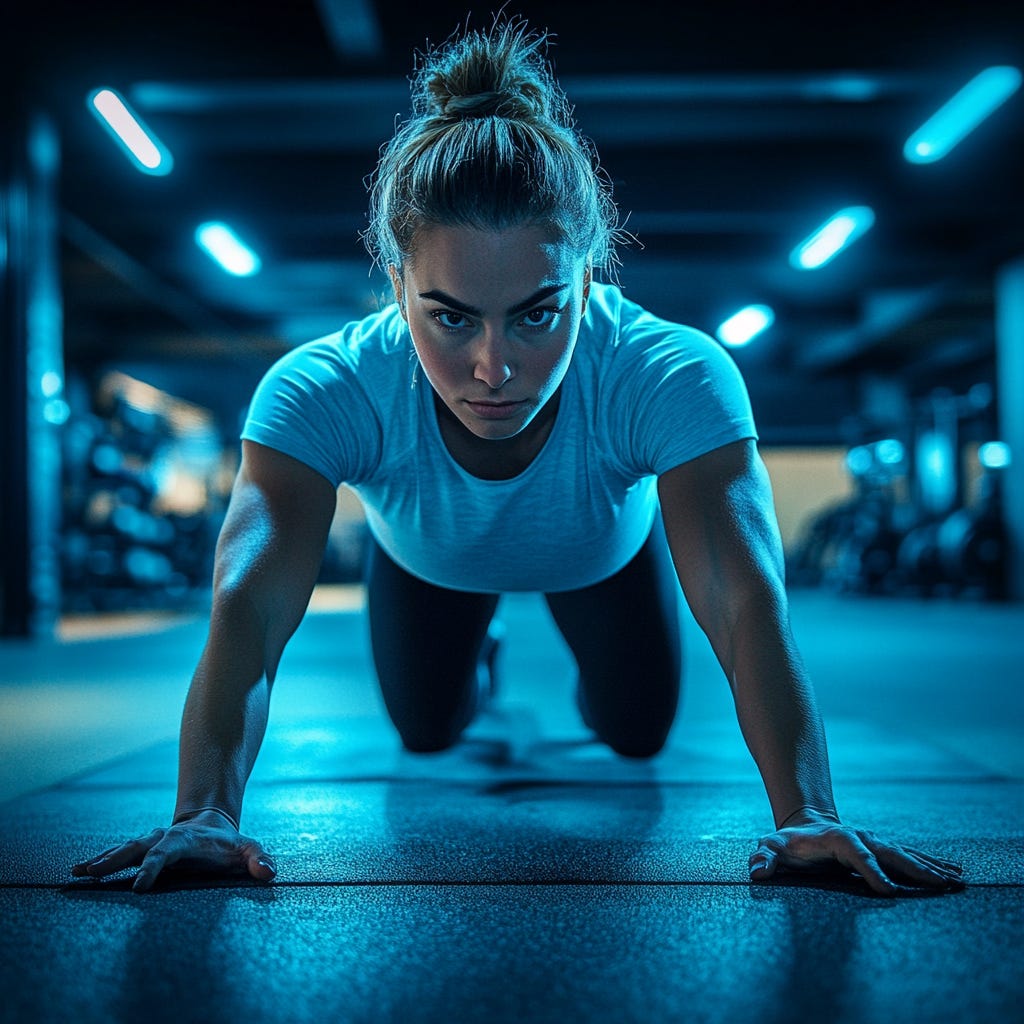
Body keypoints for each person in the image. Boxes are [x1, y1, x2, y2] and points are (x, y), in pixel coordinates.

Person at [73, 19, 963, 897]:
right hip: (425, 560)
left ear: (588, 279)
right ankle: (485, 654)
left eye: (538, 313)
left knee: (635, 734)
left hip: (605, 558)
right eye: (450, 316)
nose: (493, 369)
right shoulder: (328, 387)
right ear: (396, 286)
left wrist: (806, 812)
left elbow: (744, 601)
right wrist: (204, 816)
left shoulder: (668, 372)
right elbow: (251, 608)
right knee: (427, 732)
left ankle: (555, 665)